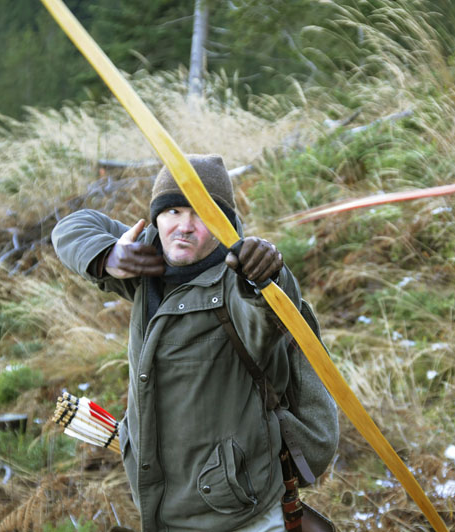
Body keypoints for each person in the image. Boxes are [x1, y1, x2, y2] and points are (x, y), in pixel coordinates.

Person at [52, 154, 329, 531]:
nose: (183, 226)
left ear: (223, 225)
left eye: (200, 214)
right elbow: (73, 226)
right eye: (173, 212)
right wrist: (108, 255)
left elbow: (268, 313)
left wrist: (268, 275)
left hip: (237, 511)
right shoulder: (147, 263)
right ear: (155, 218)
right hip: (164, 504)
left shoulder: (237, 279)